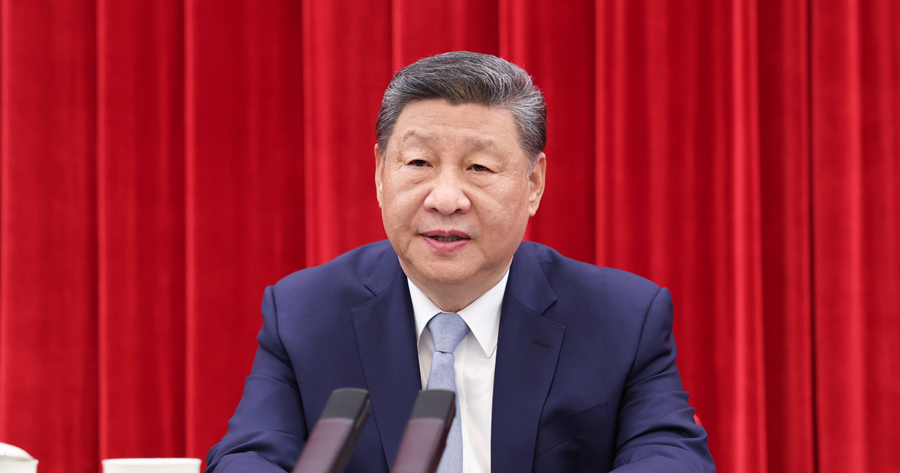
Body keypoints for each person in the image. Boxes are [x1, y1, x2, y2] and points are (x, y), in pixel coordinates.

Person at [205, 51, 715, 473]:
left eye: (479, 167)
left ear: (533, 183)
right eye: (420, 163)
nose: (446, 198)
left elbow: (670, 456)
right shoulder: (304, 313)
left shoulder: (622, 317)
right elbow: (248, 455)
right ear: (381, 174)